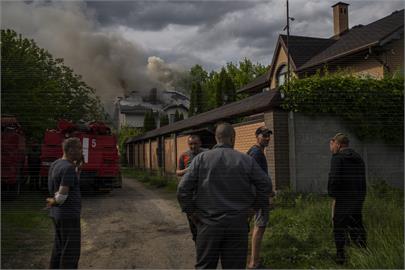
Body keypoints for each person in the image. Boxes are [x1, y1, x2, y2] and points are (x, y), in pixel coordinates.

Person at [177, 123, 272, 269]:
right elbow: (265, 185)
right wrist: (253, 208)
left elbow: (183, 189)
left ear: (216, 138)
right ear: (233, 138)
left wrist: (192, 212)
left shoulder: (201, 160)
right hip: (237, 226)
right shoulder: (246, 160)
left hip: (208, 225)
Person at [328, 133, 367, 265]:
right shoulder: (358, 158)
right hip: (357, 199)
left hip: (342, 199)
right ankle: (363, 254)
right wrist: (361, 197)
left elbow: (334, 179)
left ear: (338, 144)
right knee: (357, 225)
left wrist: (333, 194)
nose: (331, 148)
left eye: (331, 144)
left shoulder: (338, 158)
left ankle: (341, 257)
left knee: (339, 227)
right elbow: (362, 180)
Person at [47, 137, 83, 269]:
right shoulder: (68, 168)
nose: (81, 151)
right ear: (70, 150)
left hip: (57, 215)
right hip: (68, 216)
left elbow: (55, 187)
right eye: (79, 148)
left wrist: (77, 170)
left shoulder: (55, 164)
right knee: (71, 252)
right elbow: (62, 195)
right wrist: (54, 201)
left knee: (59, 247)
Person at [247, 126, 273, 269]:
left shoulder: (255, 151)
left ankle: (253, 259)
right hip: (259, 196)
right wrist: (268, 194)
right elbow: (258, 178)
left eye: (269, 135)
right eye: (264, 135)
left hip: (255, 196)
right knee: (260, 226)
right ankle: (254, 263)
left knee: (256, 226)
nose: (267, 138)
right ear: (257, 136)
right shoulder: (256, 153)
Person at [176, 134, 206, 242]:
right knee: (194, 223)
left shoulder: (207, 153)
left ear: (200, 143)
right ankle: (197, 242)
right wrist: (186, 170)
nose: (193, 146)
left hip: (205, 195)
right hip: (190, 196)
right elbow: (177, 172)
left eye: (195, 143)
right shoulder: (184, 155)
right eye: (190, 144)